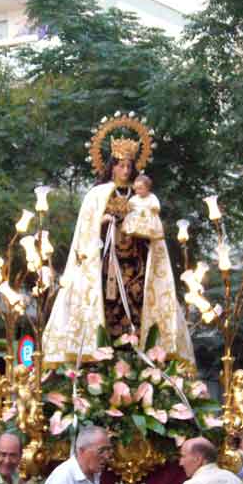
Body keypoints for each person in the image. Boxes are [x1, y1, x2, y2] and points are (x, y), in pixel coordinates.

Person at [42, 120, 194, 366]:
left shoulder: (141, 197)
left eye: (129, 166)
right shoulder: (97, 195)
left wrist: (140, 225)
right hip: (104, 265)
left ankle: (133, 358)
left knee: (134, 311)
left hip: (135, 265)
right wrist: (103, 221)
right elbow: (86, 231)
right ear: (112, 167)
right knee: (105, 307)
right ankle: (99, 358)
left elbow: (154, 232)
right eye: (120, 166)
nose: (125, 170)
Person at [121, 174, 164, 241]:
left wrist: (154, 208)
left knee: (150, 223)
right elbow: (130, 204)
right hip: (136, 216)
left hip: (148, 216)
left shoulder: (152, 197)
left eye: (140, 188)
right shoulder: (135, 198)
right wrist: (129, 206)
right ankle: (130, 234)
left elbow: (156, 205)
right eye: (136, 189)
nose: (138, 191)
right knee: (132, 219)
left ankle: (150, 235)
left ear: (147, 188)